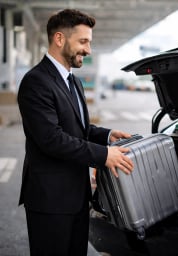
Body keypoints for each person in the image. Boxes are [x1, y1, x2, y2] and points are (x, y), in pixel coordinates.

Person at [17, 9, 134, 256]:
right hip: (50, 201)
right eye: (83, 41)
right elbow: (52, 139)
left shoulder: (74, 81)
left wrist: (107, 135)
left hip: (77, 198)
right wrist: (104, 155)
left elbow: (79, 129)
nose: (88, 50)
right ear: (60, 39)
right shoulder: (36, 81)